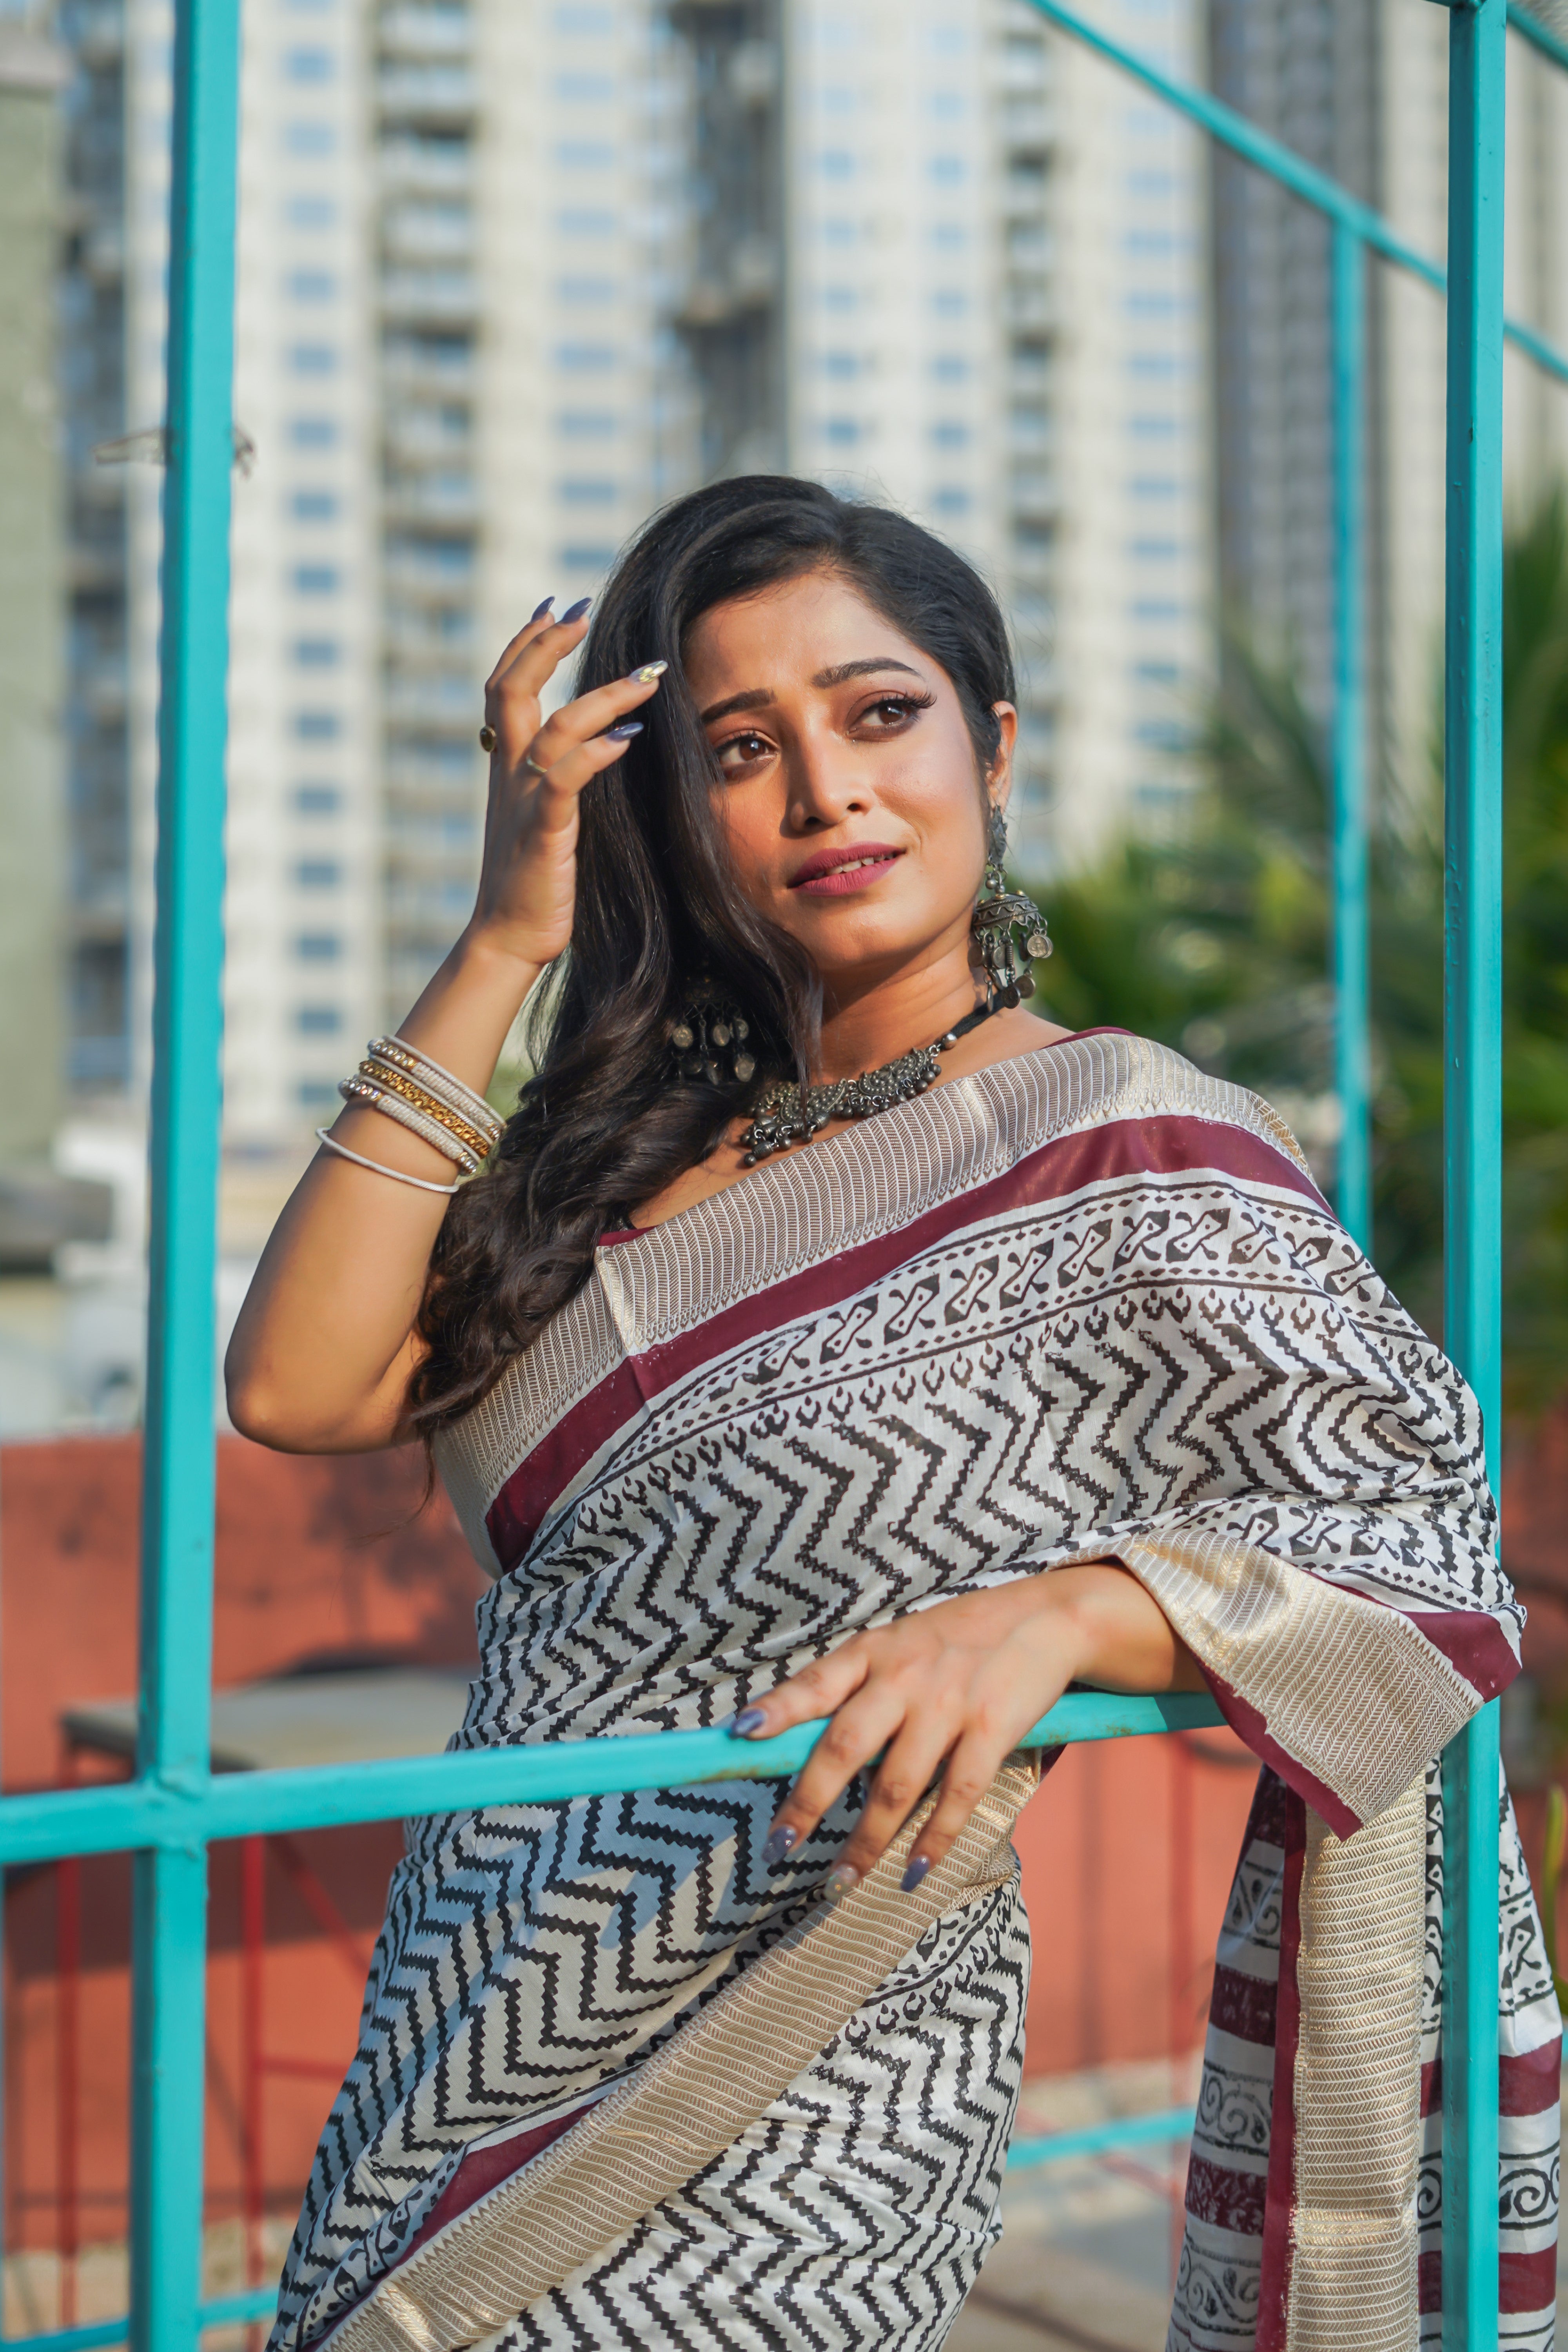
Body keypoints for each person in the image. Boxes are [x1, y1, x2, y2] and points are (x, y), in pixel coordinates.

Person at [229, 477, 1557, 2352]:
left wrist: (1068, 1613)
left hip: (809, 2064)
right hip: (463, 2039)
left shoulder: (1128, 1144)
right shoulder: (626, 1165)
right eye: (739, 749)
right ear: (670, 817)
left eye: (877, 715)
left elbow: (1412, 1541)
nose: (826, 793)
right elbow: (296, 1385)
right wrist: (506, 938)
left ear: (988, 743)